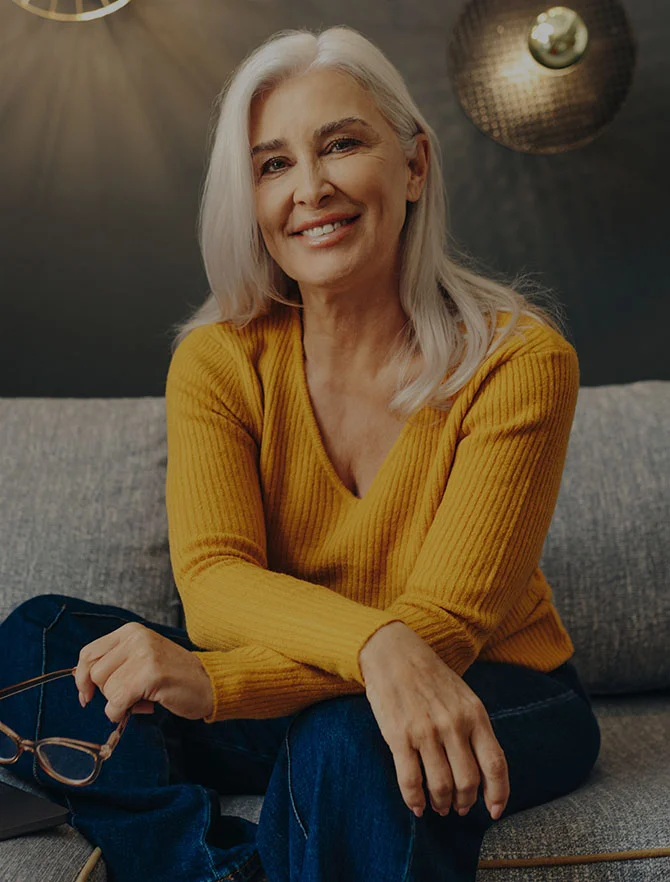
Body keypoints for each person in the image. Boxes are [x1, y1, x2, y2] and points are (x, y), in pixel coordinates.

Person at [0, 24, 601, 882]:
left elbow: (451, 628)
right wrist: (370, 647)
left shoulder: (518, 362)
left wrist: (226, 687)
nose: (310, 189)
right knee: (45, 641)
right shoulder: (218, 359)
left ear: (415, 165)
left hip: (490, 685)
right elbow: (213, 586)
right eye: (272, 164)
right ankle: (216, 870)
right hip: (321, 678)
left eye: (342, 144)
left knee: (352, 737)